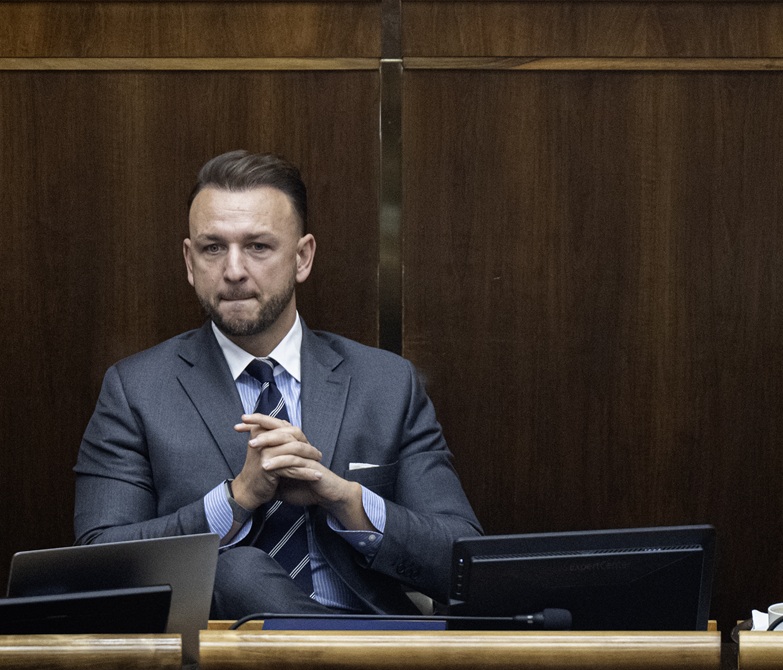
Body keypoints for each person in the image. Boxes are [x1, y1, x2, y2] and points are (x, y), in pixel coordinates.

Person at [74, 150, 481, 619]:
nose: (233, 271)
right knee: (237, 571)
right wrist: (235, 500)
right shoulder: (136, 390)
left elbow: (463, 560)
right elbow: (98, 564)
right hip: (226, 653)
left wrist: (347, 501)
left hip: (374, 642)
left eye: (258, 247)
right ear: (189, 261)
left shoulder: (387, 384)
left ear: (302, 257)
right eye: (213, 248)